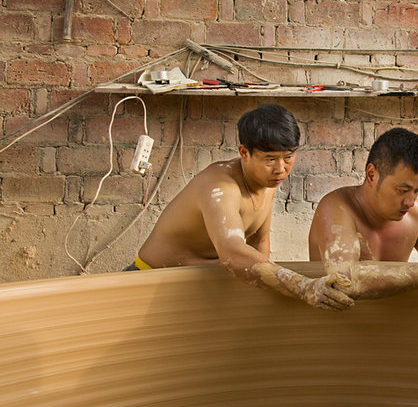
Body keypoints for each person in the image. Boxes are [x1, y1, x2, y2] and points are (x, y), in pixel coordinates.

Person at [128, 103, 353, 311]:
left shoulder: (268, 182)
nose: (281, 169)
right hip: (150, 281)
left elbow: (259, 242)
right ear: (244, 153)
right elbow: (232, 252)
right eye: (270, 159)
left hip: (203, 285)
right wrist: (302, 286)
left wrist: (264, 292)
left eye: (288, 156)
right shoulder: (220, 188)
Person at [308, 127, 418, 298]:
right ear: (371, 175)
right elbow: (344, 280)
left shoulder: (416, 216)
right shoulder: (335, 208)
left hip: (393, 319)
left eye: (417, 191)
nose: (410, 202)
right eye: (402, 190)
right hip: (337, 321)